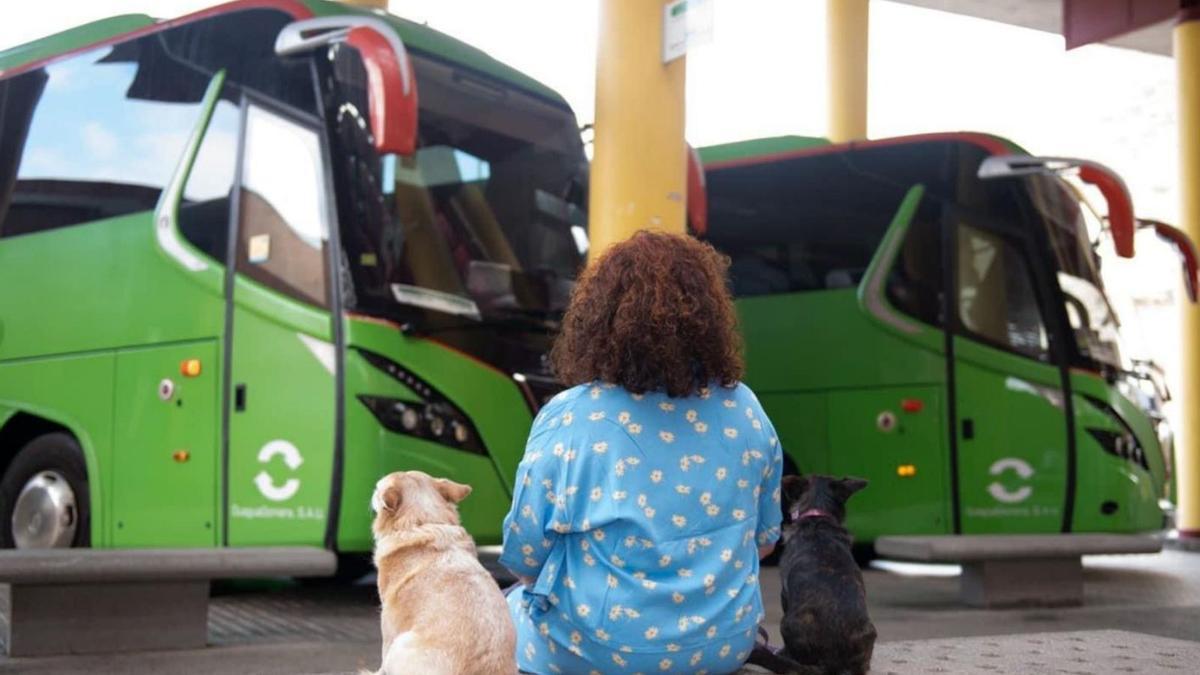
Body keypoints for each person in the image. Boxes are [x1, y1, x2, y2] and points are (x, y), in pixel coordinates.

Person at [499, 231, 784, 674]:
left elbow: (524, 556)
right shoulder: (744, 408)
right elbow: (764, 542)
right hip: (722, 648)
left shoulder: (572, 416)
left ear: (598, 318)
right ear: (710, 318)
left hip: (597, 653)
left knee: (504, 612)